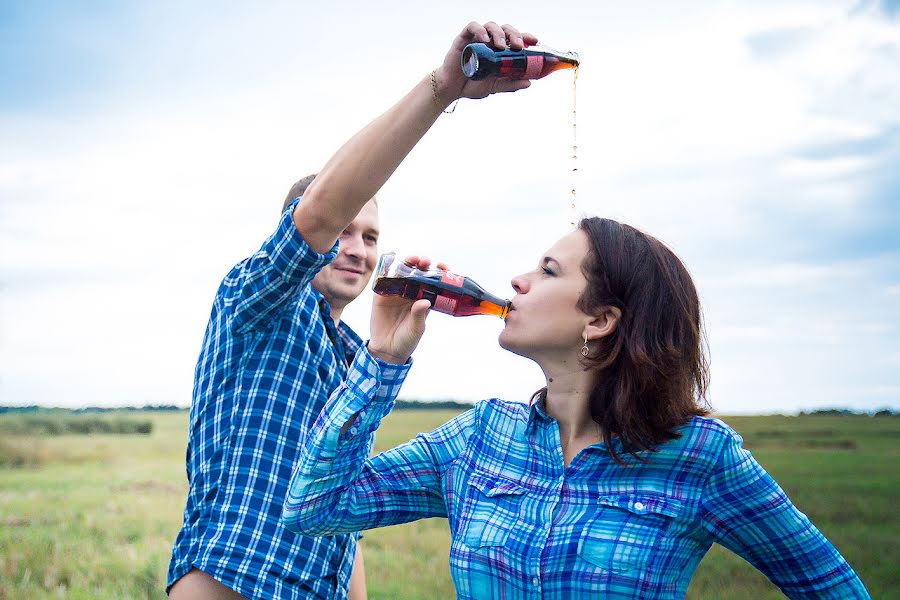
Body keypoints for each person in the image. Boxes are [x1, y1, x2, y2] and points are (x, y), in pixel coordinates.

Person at [282, 220, 873, 598]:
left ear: (600, 320)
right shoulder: (481, 438)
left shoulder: (699, 458)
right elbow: (315, 506)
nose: (515, 281)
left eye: (546, 271)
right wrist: (382, 361)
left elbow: (829, 587)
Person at [167, 20, 538, 600]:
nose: (357, 249)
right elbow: (315, 215)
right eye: (342, 229)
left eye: (370, 236)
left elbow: (341, 503)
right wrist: (443, 87)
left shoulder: (354, 359)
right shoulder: (255, 301)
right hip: (228, 581)